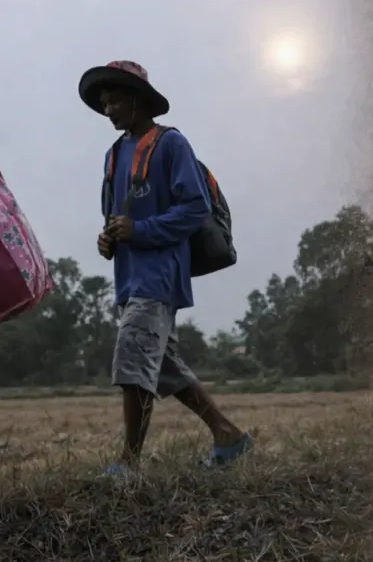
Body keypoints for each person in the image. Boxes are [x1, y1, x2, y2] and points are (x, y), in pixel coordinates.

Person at [77, 60, 252, 476]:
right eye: (103, 102)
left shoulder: (171, 145)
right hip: (129, 276)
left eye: (115, 99)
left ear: (138, 99)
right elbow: (117, 217)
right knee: (165, 367)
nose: (108, 110)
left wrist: (140, 229)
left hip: (160, 274)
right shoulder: (113, 155)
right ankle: (228, 436)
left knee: (133, 360)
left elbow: (195, 208)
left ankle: (129, 463)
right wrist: (109, 238)